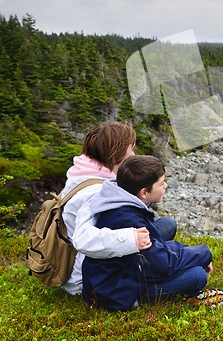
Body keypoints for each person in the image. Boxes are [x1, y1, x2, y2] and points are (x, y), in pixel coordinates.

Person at [82, 155, 223, 311]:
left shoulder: (123, 201)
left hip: (114, 273)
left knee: (167, 226)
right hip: (114, 291)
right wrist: (203, 254)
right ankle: (162, 297)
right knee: (197, 275)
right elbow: (162, 266)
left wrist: (189, 252)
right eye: (161, 183)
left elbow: (156, 247)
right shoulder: (129, 221)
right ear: (144, 193)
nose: (165, 186)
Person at [60, 121, 177, 295]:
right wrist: (132, 239)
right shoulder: (95, 192)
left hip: (87, 259)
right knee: (194, 276)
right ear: (117, 155)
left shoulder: (81, 173)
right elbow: (83, 238)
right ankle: (148, 276)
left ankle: (159, 260)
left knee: (167, 224)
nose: (134, 154)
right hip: (89, 277)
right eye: (131, 150)